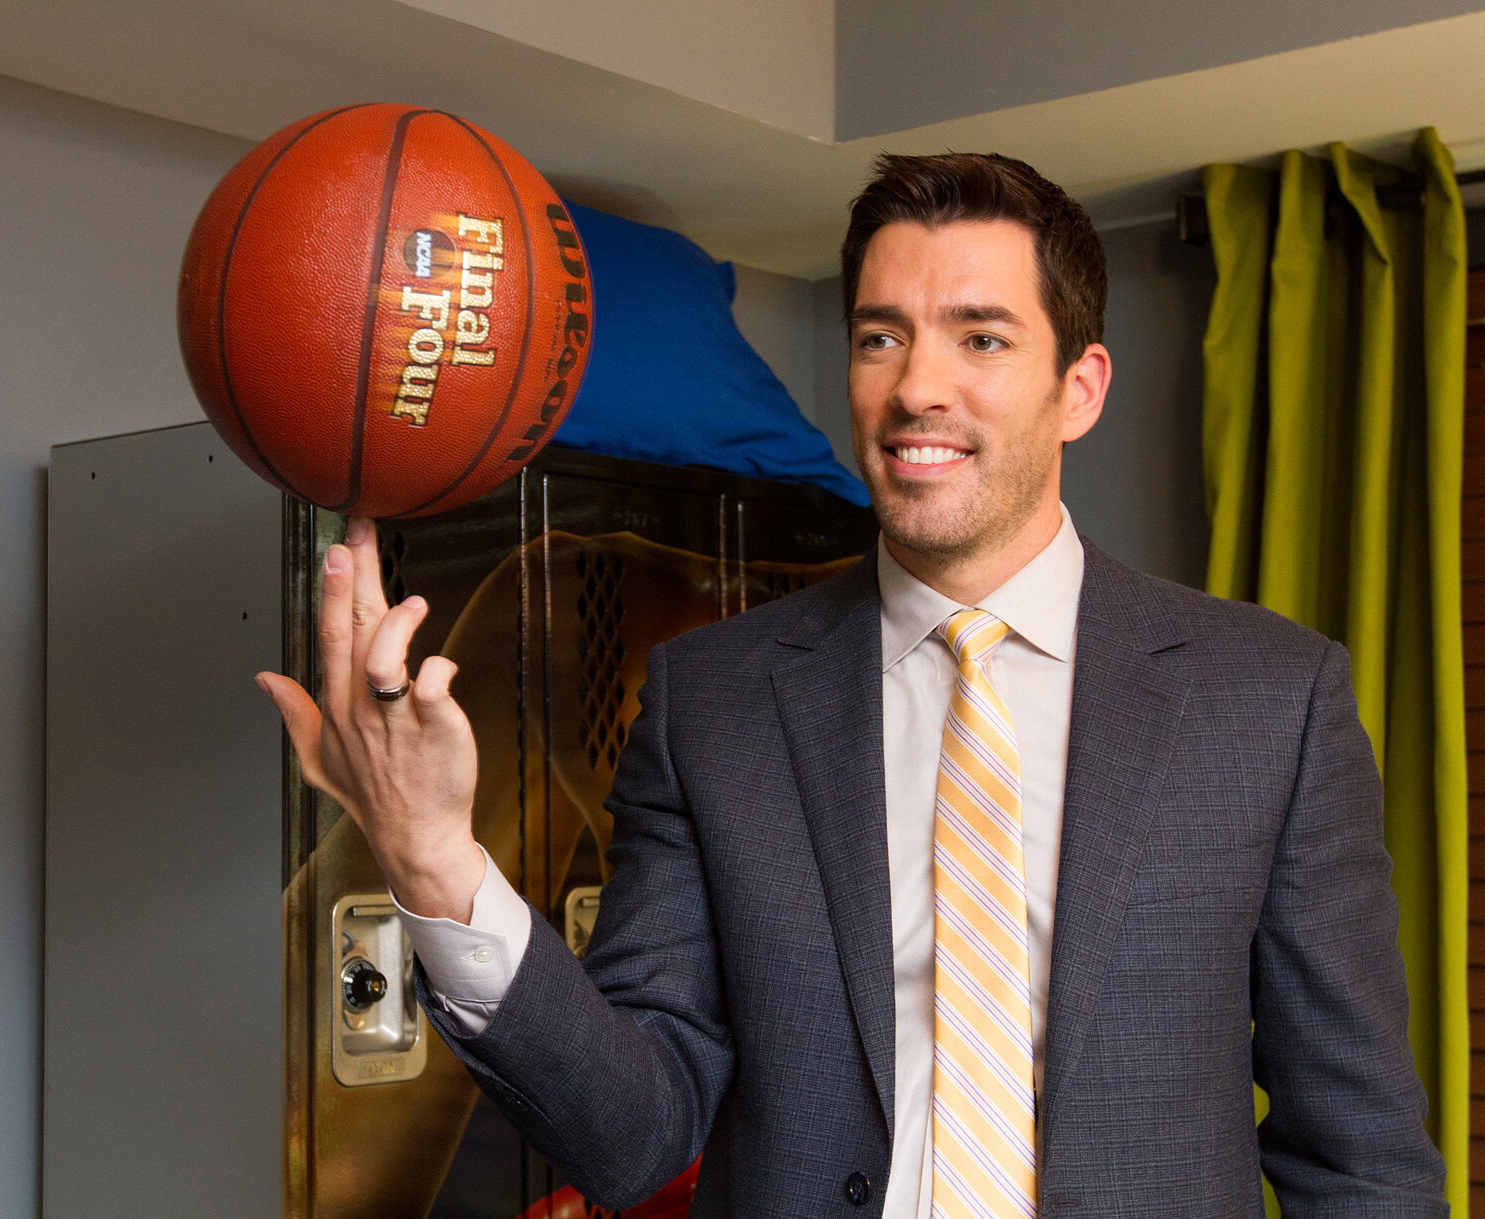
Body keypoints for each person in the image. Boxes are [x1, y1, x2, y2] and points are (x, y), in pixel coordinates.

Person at [257, 153, 1447, 1216]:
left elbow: (1362, 1159)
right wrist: (431, 858)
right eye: (882, 335)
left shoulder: (1267, 700)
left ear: (1078, 388)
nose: (916, 387)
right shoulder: (710, 703)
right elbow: (631, 1133)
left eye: (980, 337)